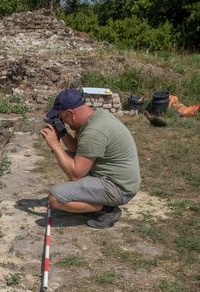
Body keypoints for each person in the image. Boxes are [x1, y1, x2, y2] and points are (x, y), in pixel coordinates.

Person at [39, 88, 141, 229]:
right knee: (68, 156)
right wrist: (61, 130)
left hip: (118, 188)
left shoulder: (94, 131)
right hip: (116, 179)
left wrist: (55, 145)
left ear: (71, 113)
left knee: (55, 199)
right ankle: (96, 202)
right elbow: (77, 148)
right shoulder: (95, 116)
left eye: (62, 117)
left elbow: (75, 174)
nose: (64, 121)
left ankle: (106, 209)